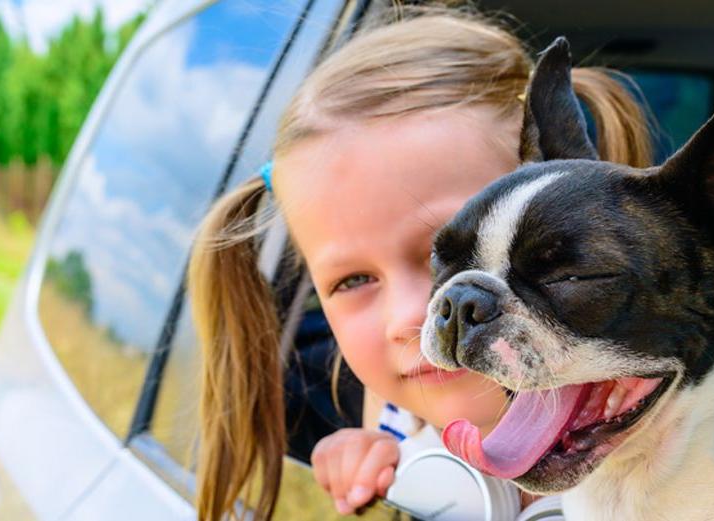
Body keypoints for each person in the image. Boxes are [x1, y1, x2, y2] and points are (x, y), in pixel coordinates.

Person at [188, 6, 653, 520]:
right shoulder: (393, 418)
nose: (412, 315)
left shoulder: (691, 447)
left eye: (448, 252)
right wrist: (363, 456)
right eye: (354, 280)